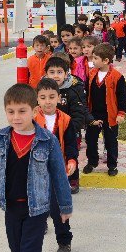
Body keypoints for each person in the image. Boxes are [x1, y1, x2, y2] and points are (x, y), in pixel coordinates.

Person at [0, 84, 73, 252]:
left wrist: (65, 206)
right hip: (11, 207)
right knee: (16, 249)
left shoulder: (47, 140)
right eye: (11, 112)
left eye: (22, 111)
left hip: (37, 209)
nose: (16, 117)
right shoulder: (0, 138)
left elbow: (59, 175)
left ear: (34, 111)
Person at [34, 78, 78, 252]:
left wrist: (72, 160)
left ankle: (64, 241)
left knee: (58, 207)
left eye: (52, 96)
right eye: (43, 97)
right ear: (37, 99)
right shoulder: (32, 119)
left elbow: (70, 144)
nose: (48, 101)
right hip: (36, 171)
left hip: (57, 171)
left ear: (59, 98)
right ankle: (40, 223)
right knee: (35, 203)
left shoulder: (66, 120)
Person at [45, 54, 90, 193]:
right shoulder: (43, 89)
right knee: (49, 157)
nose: (56, 76)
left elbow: (78, 111)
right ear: (46, 74)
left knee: (71, 155)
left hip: (69, 131)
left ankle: (73, 179)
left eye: (59, 72)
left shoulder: (72, 89)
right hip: (49, 131)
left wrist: (72, 129)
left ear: (66, 73)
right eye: (52, 72)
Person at [83, 43, 126, 177]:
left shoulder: (117, 77)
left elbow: (122, 96)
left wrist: (121, 113)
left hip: (110, 115)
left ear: (106, 61)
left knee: (110, 141)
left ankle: (112, 165)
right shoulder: (91, 74)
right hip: (93, 114)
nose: (93, 60)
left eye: (96, 58)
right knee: (90, 139)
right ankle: (92, 161)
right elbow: (86, 93)